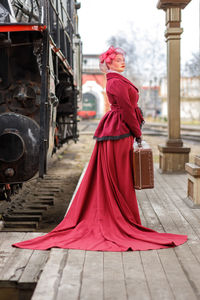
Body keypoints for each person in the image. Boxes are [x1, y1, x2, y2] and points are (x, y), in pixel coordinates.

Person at [13, 46, 187, 251]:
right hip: (120, 132)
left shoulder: (116, 81)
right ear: (108, 62)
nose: (123, 61)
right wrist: (137, 133)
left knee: (121, 177)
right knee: (121, 177)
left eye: (123, 58)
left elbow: (128, 109)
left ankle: (121, 215)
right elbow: (128, 111)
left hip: (117, 132)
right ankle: (121, 218)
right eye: (118, 59)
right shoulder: (116, 82)